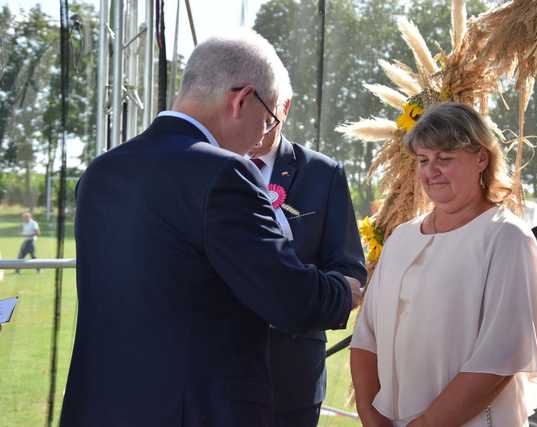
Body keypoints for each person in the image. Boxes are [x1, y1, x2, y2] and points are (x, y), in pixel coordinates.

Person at [60, 29, 362, 427]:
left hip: (100, 406)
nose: (260, 139)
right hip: (195, 410)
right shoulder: (223, 173)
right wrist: (345, 290)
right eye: (267, 118)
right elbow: (286, 297)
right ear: (241, 99)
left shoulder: (102, 170)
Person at [350, 102, 537, 427]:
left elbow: (498, 359)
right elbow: (366, 338)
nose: (430, 171)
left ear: (481, 158)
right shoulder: (402, 238)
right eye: (423, 160)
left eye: (444, 159)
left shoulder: (506, 238)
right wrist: (371, 417)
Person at [249, 77, 367, 426]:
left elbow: (349, 270)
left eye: (265, 115)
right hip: (213, 369)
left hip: (292, 373)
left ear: (284, 108)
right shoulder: (210, 165)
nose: (254, 127)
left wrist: (298, 295)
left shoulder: (322, 173)